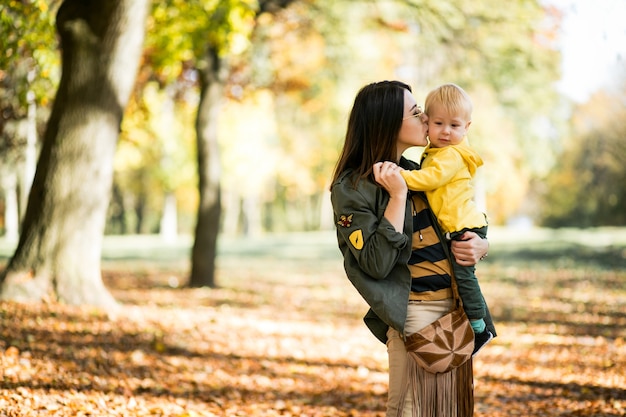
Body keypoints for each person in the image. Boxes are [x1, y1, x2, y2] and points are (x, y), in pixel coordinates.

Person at [330, 80, 496, 417]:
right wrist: (397, 195)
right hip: (413, 314)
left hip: (454, 310)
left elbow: (459, 211)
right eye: (416, 112)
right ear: (389, 122)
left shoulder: (420, 173)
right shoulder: (353, 188)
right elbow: (375, 263)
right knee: (409, 410)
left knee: (451, 410)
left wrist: (482, 244)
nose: (427, 119)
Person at [399, 83, 492, 354]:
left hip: (464, 225)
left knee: (464, 277)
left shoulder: (450, 155)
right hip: (459, 222)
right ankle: (474, 323)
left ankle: (478, 328)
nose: (446, 131)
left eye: (454, 125)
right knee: (462, 275)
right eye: (438, 123)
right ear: (426, 121)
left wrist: (399, 177)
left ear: (467, 127)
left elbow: (430, 179)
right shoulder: (438, 152)